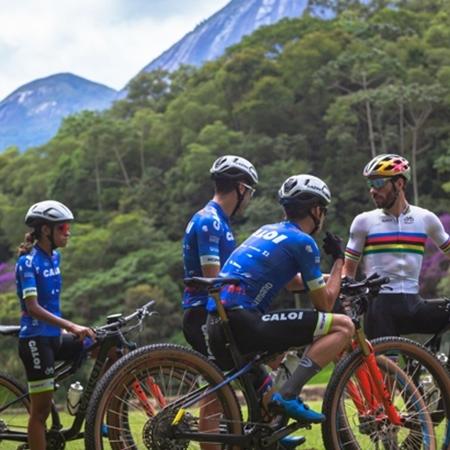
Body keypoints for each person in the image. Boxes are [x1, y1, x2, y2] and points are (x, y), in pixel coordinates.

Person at [206, 174, 355, 424]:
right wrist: (340, 261)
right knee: (343, 325)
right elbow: (325, 304)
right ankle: (289, 394)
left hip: (216, 321)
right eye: (324, 210)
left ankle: (269, 431)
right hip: (244, 322)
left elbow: (291, 281)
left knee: (265, 400)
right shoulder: (303, 242)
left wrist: (330, 276)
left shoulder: (267, 231)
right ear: (316, 210)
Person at [16, 200, 96, 450]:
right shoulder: (28, 262)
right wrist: (72, 326)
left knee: (103, 345)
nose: (68, 232)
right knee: (40, 414)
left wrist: (70, 330)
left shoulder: (55, 258)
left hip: (54, 336)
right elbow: (33, 307)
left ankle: (100, 405)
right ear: (45, 230)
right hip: (35, 340)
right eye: (62, 227)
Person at [343, 153, 450, 339]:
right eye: (370, 184)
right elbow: (348, 270)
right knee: (387, 366)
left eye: (378, 183)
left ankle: (435, 364)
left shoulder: (425, 218)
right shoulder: (363, 222)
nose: (372, 191)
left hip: (413, 303)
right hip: (379, 306)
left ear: (399, 183)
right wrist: (347, 299)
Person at [182, 155, 258, 356]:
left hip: (211, 312)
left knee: (256, 378)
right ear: (241, 188)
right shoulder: (210, 221)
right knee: (223, 384)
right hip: (204, 315)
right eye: (251, 192)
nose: (249, 199)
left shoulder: (218, 220)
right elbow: (214, 281)